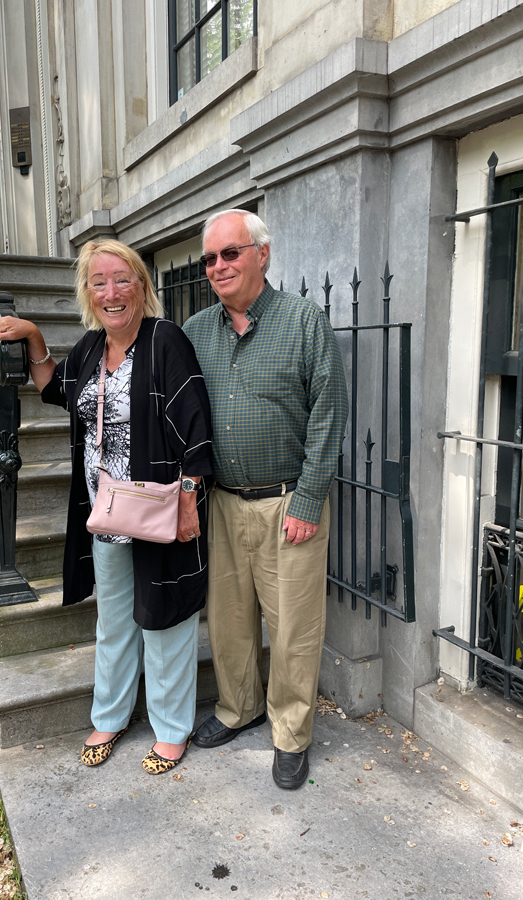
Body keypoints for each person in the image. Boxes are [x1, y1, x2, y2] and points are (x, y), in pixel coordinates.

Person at [0, 239, 213, 774]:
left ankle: (170, 727)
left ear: (141, 286)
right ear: (88, 294)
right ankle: (110, 716)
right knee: (114, 622)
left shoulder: (166, 341)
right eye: (99, 282)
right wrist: (35, 337)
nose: (111, 292)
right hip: (107, 515)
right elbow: (57, 391)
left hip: (158, 509)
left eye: (122, 279)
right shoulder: (91, 348)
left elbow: (197, 429)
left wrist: (188, 504)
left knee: (165, 620)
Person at [182, 209, 348, 790]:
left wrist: (308, 499)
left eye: (231, 253)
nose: (219, 266)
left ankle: (291, 733)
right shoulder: (196, 332)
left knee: (295, 627)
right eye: (210, 258)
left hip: (289, 503)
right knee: (228, 623)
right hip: (223, 503)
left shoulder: (305, 322)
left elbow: (328, 416)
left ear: (262, 254)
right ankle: (238, 707)